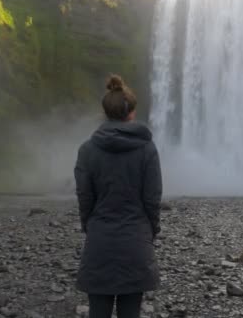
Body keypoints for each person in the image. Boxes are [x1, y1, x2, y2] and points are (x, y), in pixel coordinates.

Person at [74, 75, 162, 318]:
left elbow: (84, 197)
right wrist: (150, 230)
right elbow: (152, 199)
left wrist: (90, 226)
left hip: (99, 238)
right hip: (136, 240)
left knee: (98, 311)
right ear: (131, 113)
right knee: (131, 312)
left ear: (105, 113)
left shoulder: (87, 150)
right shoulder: (147, 149)